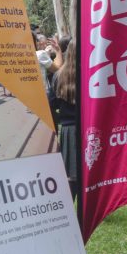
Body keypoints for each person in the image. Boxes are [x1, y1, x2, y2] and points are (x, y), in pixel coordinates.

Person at [50, 41, 79, 202]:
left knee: (71, 176)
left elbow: (52, 103)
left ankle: (69, 211)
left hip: (68, 131)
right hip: (87, 129)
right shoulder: (90, 74)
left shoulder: (58, 75)